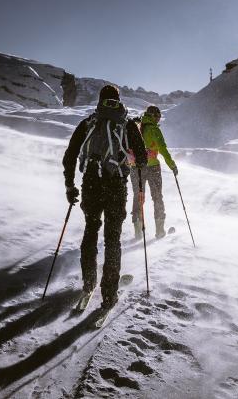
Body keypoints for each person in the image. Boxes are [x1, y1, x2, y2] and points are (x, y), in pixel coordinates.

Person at [62, 84, 148, 311]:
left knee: (90, 231)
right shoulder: (127, 123)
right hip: (116, 186)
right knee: (113, 239)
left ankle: (88, 283)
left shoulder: (89, 122)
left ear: (100, 101)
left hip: (91, 183)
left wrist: (70, 186)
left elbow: (70, 156)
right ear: (118, 100)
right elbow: (141, 158)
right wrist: (135, 174)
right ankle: (109, 294)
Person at [130, 105, 177, 240]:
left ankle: (138, 232)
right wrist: (172, 165)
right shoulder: (154, 130)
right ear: (154, 116)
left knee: (138, 197)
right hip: (152, 167)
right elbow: (162, 149)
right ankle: (160, 231)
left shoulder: (136, 127)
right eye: (158, 116)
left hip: (135, 167)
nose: (159, 119)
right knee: (157, 197)